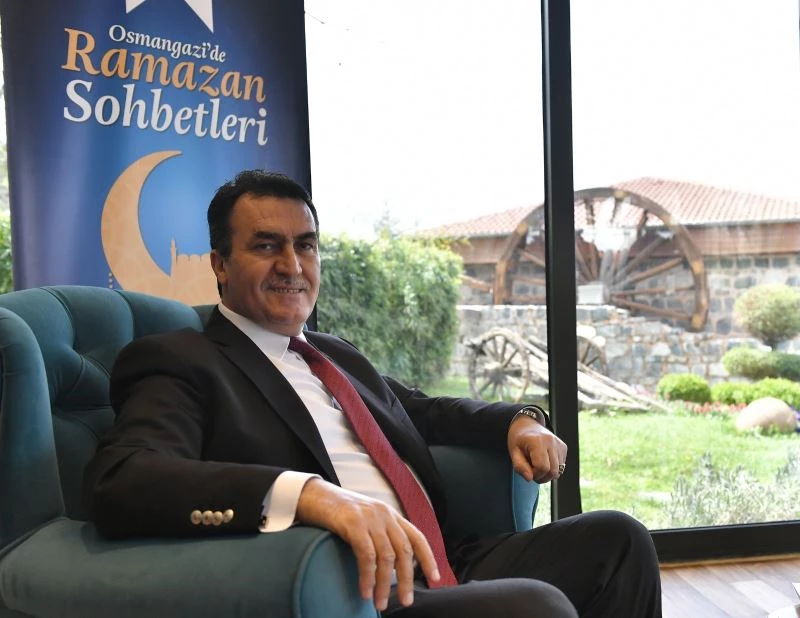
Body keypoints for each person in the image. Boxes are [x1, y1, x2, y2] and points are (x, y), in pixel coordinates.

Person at [84, 170, 662, 618]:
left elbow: (424, 410)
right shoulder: (182, 360)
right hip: (351, 589)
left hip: (442, 557)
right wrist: (308, 496)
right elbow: (124, 479)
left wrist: (520, 420)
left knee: (619, 541)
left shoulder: (334, 354)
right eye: (266, 246)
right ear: (220, 265)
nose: (292, 265)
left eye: (306, 245)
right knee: (537, 609)